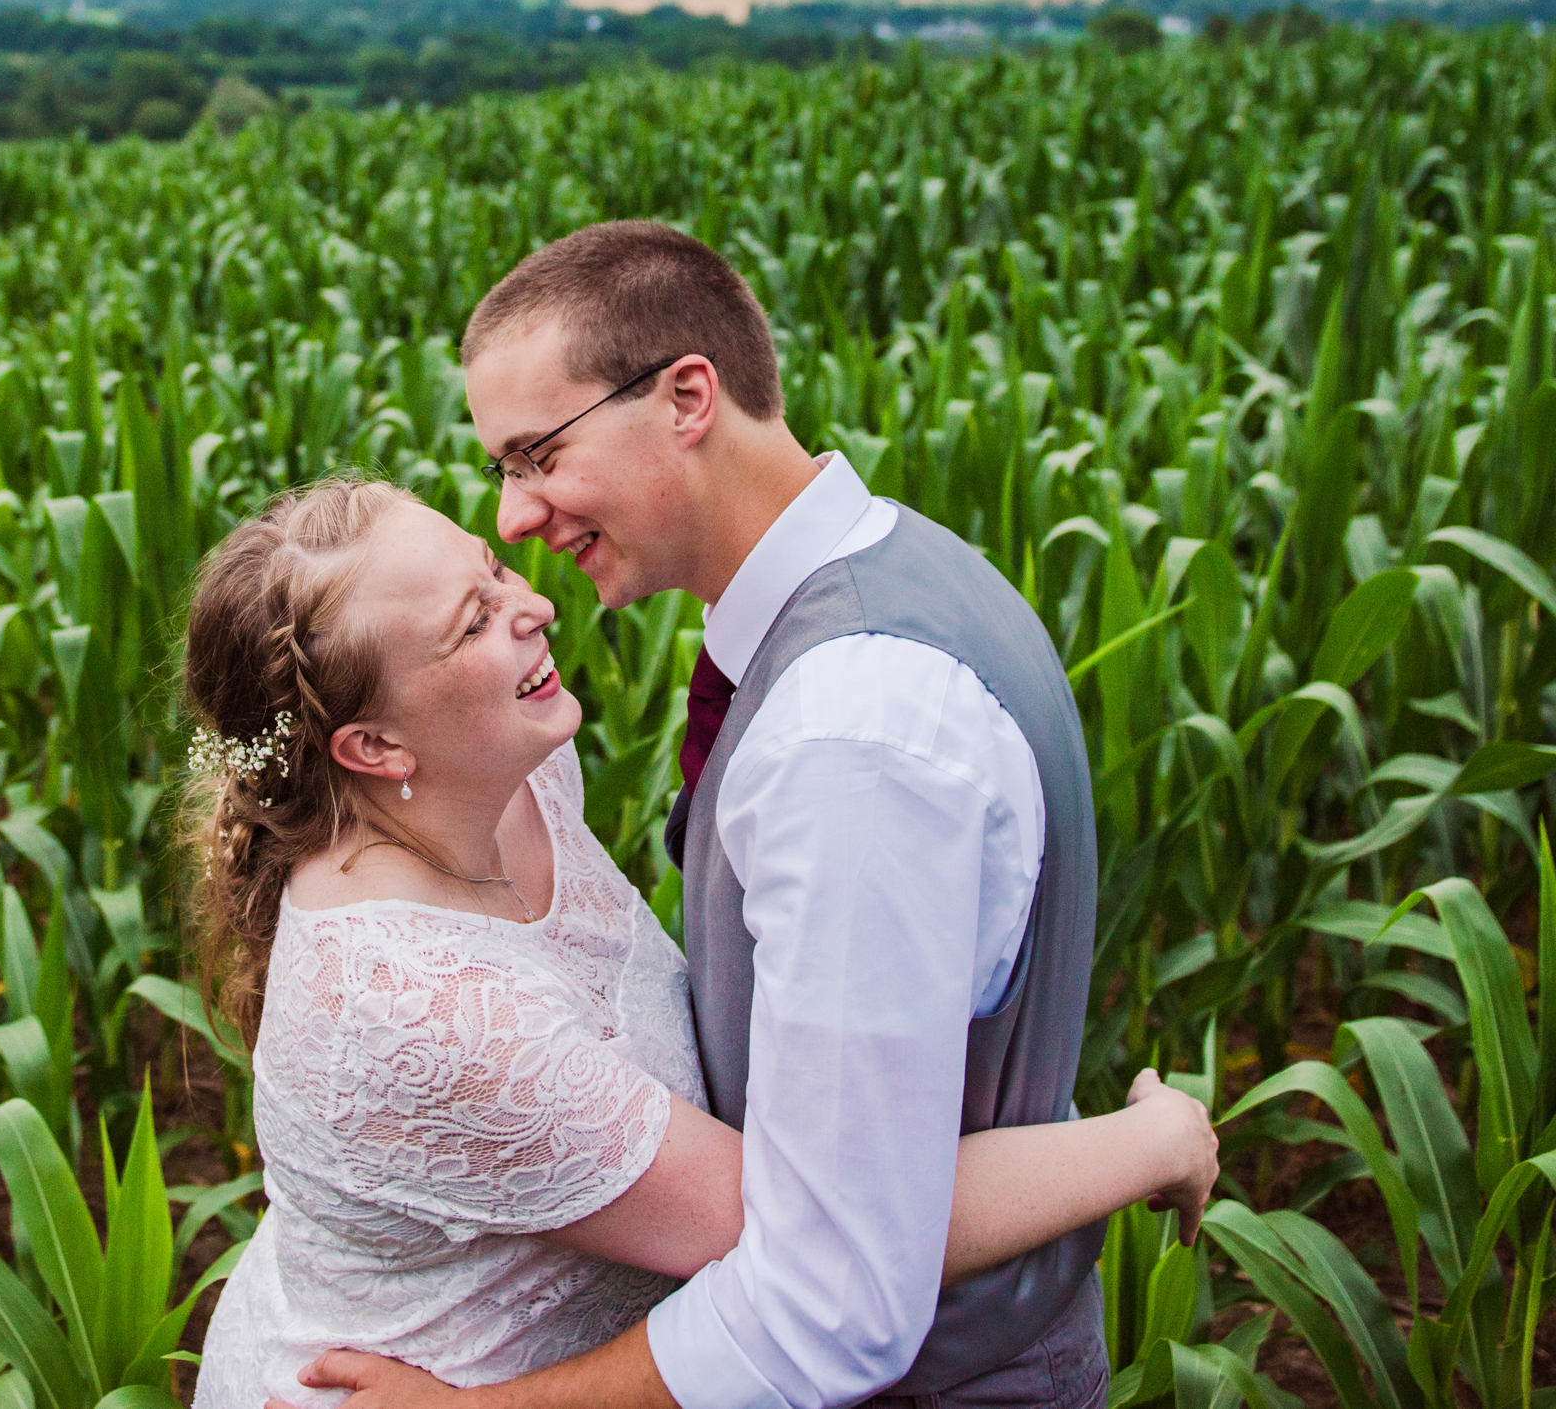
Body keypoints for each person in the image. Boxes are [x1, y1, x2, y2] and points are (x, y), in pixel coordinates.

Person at [179, 472, 1215, 1409]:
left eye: (494, 571)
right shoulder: (432, 1016)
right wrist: (1146, 1146)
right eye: (473, 624)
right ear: (373, 747)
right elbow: (834, 1235)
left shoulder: (512, 778)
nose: (533, 606)